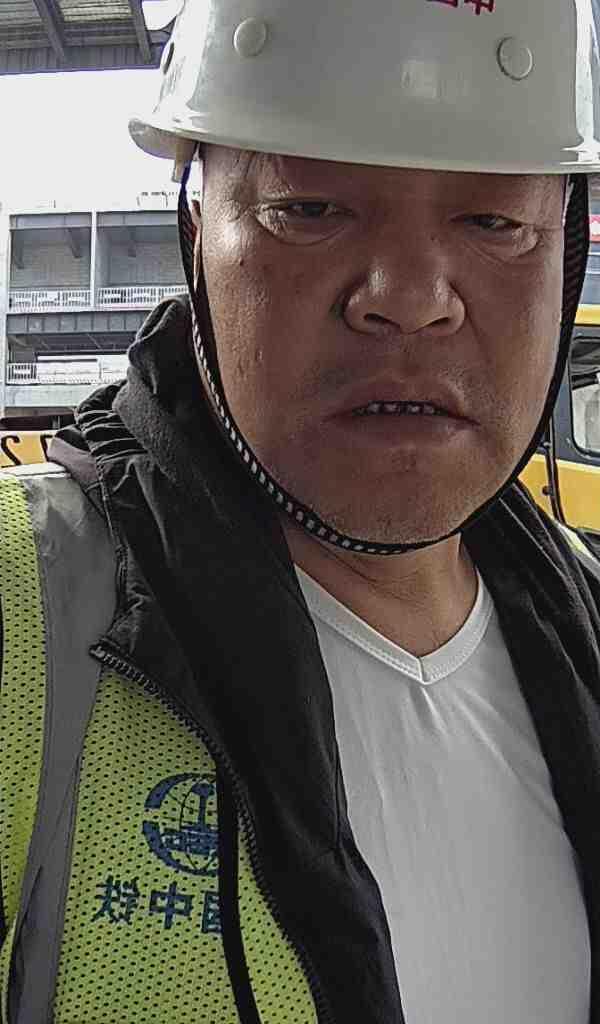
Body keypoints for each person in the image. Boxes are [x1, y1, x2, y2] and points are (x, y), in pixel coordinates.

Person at [1, 0, 600, 1020]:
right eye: (311, 209)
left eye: (494, 221)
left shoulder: (587, 622)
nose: (410, 296)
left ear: (564, 254)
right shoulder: (26, 617)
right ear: (198, 233)